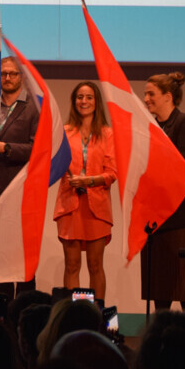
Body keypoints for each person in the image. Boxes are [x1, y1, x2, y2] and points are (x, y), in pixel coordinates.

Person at [141, 72, 185, 311]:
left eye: (151, 94)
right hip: (156, 217)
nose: (145, 99)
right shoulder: (151, 127)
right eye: (145, 93)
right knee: (161, 292)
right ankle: (160, 341)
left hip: (182, 217)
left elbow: (183, 165)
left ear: (168, 96)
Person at [53, 81, 116, 300]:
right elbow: (54, 166)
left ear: (96, 102)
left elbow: (112, 173)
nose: (84, 101)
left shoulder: (108, 134)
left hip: (96, 207)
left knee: (95, 264)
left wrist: (88, 181)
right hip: (70, 204)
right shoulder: (63, 132)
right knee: (72, 265)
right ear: (74, 101)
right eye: (80, 97)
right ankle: (77, 315)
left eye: (89, 97)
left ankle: (95, 315)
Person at [0, 55, 40, 298]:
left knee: (22, 259)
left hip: (22, 192)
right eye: (3, 74)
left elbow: (38, 149)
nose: (8, 78)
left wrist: (6, 148)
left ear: (22, 77)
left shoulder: (33, 107)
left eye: (12, 73)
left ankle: (24, 310)